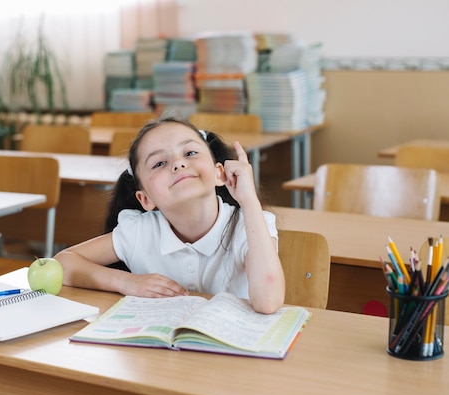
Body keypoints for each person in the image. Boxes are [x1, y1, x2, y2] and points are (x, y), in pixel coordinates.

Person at [54, 115, 285, 314]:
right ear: (146, 199)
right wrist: (127, 282)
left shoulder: (251, 225)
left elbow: (268, 301)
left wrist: (248, 200)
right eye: (159, 163)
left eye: (190, 152)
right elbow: (61, 263)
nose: (178, 164)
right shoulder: (139, 231)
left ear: (219, 173)